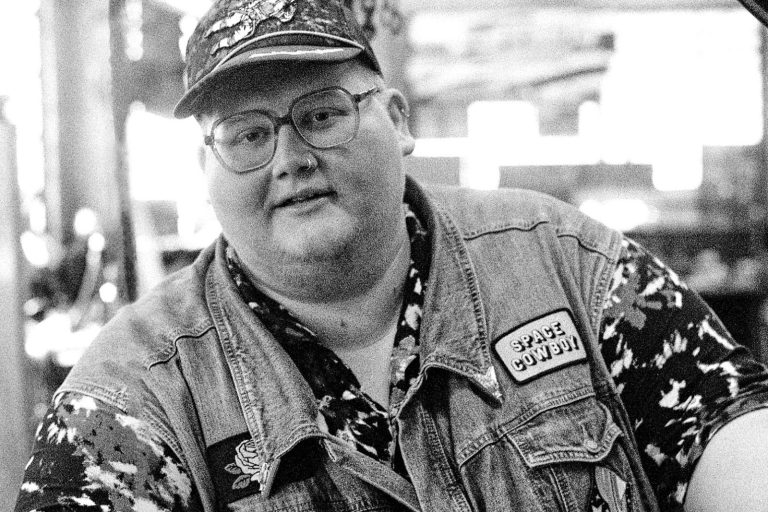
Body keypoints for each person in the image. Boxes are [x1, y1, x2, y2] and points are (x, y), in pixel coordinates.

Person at [14, 0, 768, 510]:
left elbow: (726, 423)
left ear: (399, 121)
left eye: (322, 115)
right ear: (202, 168)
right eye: (248, 134)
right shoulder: (132, 396)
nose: (290, 159)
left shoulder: (567, 262)